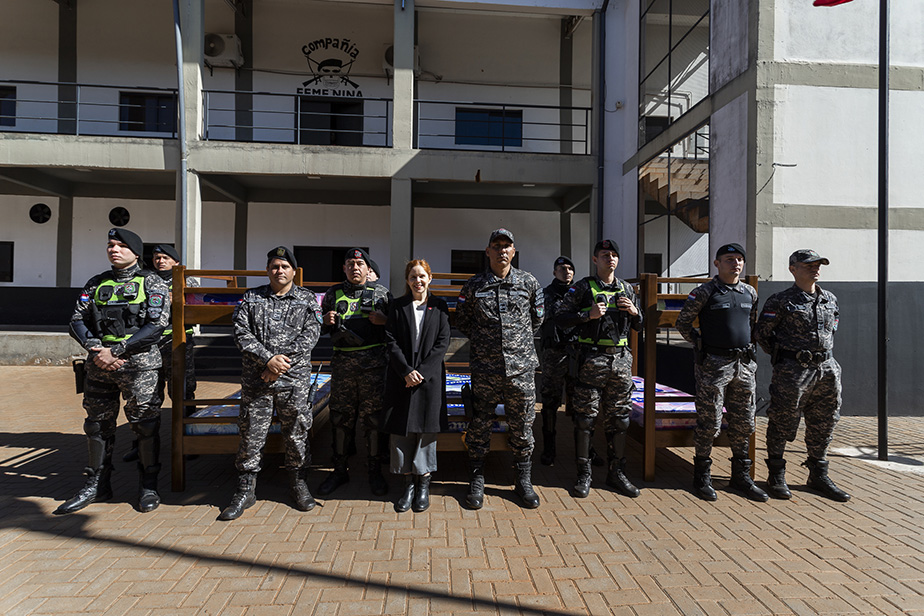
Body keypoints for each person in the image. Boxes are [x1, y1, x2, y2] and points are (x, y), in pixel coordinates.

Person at [56, 228, 170, 515]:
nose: (114, 250)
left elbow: (156, 326)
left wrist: (116, 351)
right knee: (96, 426)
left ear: (135, 252)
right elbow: (76, 320)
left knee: (145, 425)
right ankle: (97, 484)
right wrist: (96, 348)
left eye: (121, 246)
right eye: (110, 245)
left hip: (139, 367)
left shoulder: (153, 282)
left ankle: (148, 485)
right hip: (99, 366)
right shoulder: (96, 283)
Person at [219, 247, 322, 521]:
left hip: (293, 380)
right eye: (275, 266)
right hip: (258, 379)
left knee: (297, 431)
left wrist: (279, 366)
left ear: (293, 271)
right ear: (267, 270)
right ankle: (245, 489)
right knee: (251, 431)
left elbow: (310, 336)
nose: (279, 271)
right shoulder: (251, 298)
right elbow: (241, 332)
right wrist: (267, 361)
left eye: (285, 266)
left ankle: (298, 483)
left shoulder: (307, 299)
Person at [456, 228, 544, 510]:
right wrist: (487, 344)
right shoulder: (473, 286)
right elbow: (463, 322)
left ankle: (523, 480)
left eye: (507, 246)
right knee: (479, 423)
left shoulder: (529, 283)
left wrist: (515, 346)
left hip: (521, 369)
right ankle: (477, 477)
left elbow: (537, 319)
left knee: (522, 425)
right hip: (486, 369)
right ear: (488, 251)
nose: (502, 250)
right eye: (497, 245)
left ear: (514, 251)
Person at [754, 249, 850, 502]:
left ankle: (818, 473)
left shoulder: (829, 298)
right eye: (808, 265)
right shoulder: (781, 301)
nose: (815, 269)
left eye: (818, 265)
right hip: (793, 371)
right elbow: (762, 333)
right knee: (782, 419)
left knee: (825, 420)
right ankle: (776, 474)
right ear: (793, 269)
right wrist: (787, 356)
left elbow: (833, 329)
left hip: (827, 369)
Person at [675, 243, 768, 502]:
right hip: (714, 366)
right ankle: (702, 476)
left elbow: (751, 324)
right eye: (729, 259)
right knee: (710, 423)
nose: (735, 264)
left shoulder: (749, 292)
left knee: (744, 422)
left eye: (739, 259)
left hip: (744, 366)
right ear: (717, 264)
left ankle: (741, 476)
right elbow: (682, 323)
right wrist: (701, 345)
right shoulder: (705, 292)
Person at [554, 239, 642, 499]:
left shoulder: (627, 288)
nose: (610, 259)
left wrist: (636, 312)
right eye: (605, 254)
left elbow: (640, 326)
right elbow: (559, 318)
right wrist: (586, 315)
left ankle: (617, 473)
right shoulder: (582, 287)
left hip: (621, 362)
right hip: (591, 361)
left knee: (620, 420)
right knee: (585, 419)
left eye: (614, 255)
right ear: (595, 259)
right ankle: (584, 474)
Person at [317, 248, 393, 496]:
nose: (355, 268)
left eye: (359, 263)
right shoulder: (332, 294)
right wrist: (324, 322)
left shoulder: (381, 294)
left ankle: (374, 472)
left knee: (372, 422)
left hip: (373, 367)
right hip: (343, 367)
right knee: (340, 420)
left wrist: (385, 321)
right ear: (344, 268)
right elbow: (318, 329)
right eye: (350, 263)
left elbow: (396, 330)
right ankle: (339, 471)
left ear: (367, 268)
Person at [382, 259, 451, 513]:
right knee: (402, 430)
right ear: (407, 280)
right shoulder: (397, 307)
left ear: (430, 278)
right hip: (402, 378)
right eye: (413, 277)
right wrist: (406, 371)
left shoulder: (440, 306)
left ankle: (423, 482)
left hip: (429, 379)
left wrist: (421, 372)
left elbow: (443, 342)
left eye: (422, 276)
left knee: (425, 431)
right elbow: (390, 340)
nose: (417, 281)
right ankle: (407, 482)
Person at [123, 243, 199, 463]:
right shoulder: (144, 280)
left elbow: (191, 306)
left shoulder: (186, 280)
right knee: (145, 396)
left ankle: (189, 442)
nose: (160, 261)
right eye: (156, 257)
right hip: (150, 344)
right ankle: (141, 444)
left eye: (165, 257)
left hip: (177, 344)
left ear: (175, 261)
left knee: (183, 393)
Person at [538, 256, 578, 466]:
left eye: (570, 269)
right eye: (562, 268)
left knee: (581, 404)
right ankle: (549, 449)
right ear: (554, 272)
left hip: (576, 354)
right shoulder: (546, 294)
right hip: (553, 353)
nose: (567, 272)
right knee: (550, 403)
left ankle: (586, 450)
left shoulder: (580, 293)